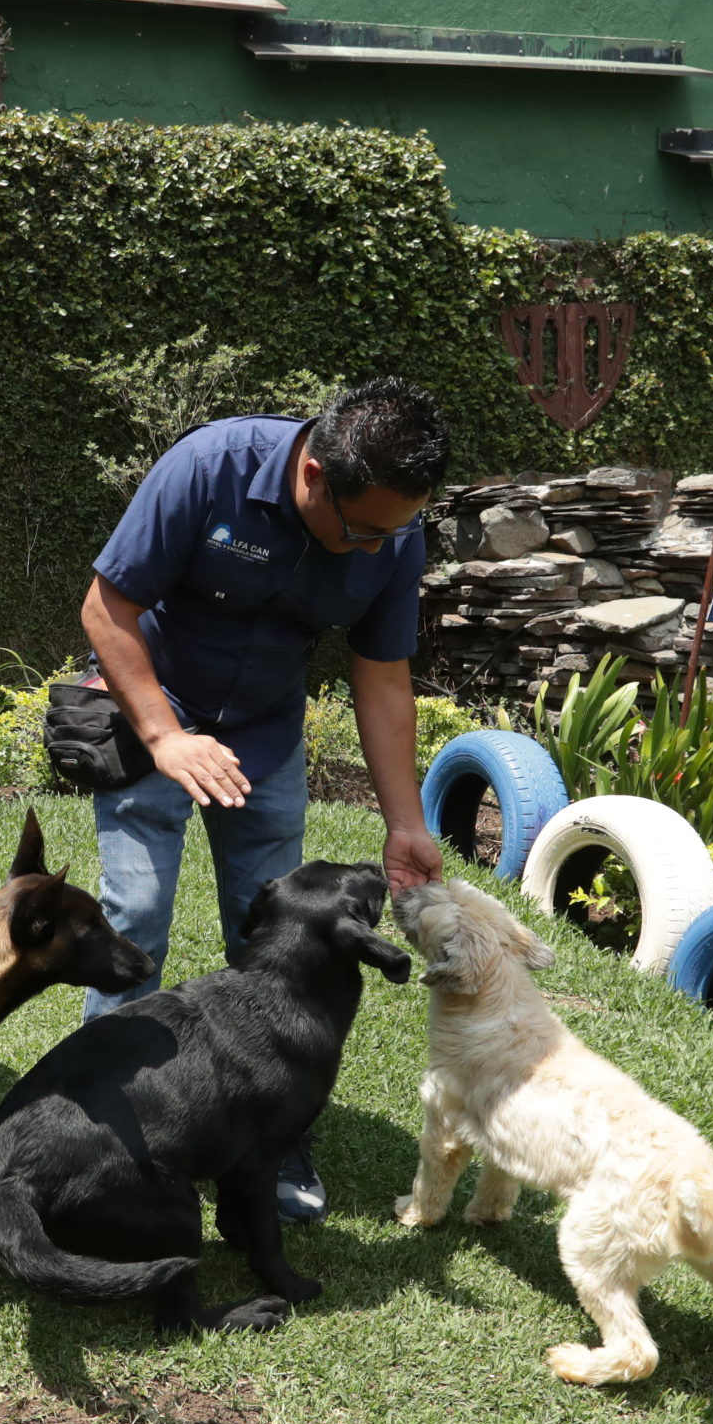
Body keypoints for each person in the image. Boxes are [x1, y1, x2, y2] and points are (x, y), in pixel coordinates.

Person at [75, 376, 450, 1222]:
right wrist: (166, 735)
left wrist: (404, 823)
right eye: (364, 532)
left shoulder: (392, 531)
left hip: (265, 736)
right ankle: (102, 1122)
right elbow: (108, 606)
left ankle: (271, 1134)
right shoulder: (209, 467)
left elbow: (383, 676)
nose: (377, 549)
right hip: (155, 713)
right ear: (314, 475)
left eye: (393, 533)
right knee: (135, 917)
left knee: (285, 940)